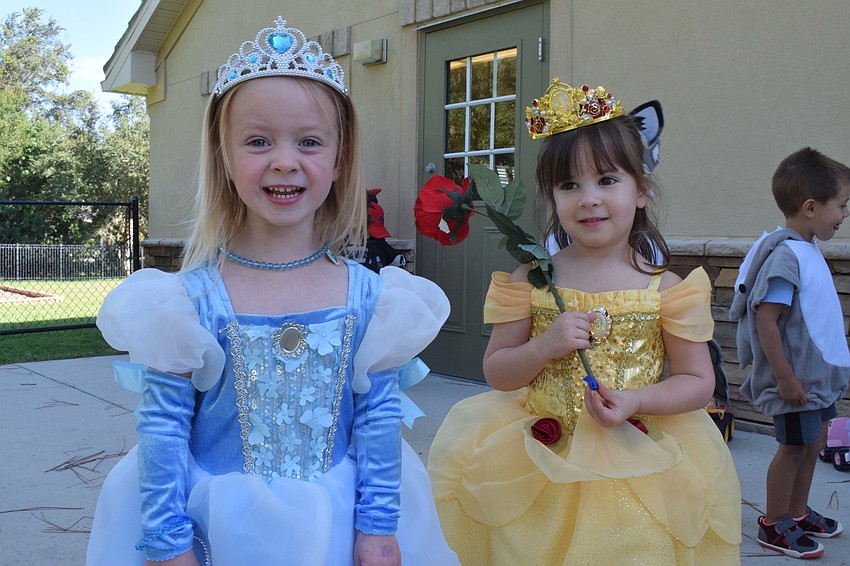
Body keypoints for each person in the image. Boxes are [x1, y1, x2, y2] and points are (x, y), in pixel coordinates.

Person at [86, 17, 459, 566]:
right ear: (225, 159)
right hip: (220, 527)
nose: (285, 160)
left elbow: (378, 419)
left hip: (336, 528)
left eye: (308, 141)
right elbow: (163, 424)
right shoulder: (186, 302)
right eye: (258, 141)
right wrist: (168, 540)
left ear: (338, 160)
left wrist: (378, 527)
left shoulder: (372, 298)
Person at [427, 79, 742, 564]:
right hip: (535, 462)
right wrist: (543, 347)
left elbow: (699, 382)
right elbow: (497, 371)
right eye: (569, 185)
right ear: (551, 197)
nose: (588, 198)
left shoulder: (669, 290)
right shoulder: (532, 279)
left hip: (639, 468)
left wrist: (637, 399)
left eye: (607, 180)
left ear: (642, 191)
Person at [731, 147, 850, 559]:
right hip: (796, 380)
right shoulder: (785, 256)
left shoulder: (807, 248)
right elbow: (767, 320)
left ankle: (797, 514)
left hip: (816, 381)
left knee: (814, 443)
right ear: (811, 207)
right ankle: (773, 523)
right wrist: (785, 379)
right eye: (842, 205)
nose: (844, 214)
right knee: (793, 448)